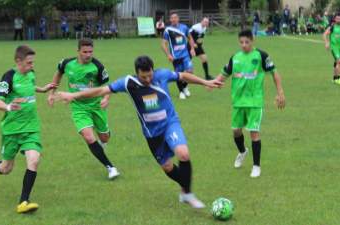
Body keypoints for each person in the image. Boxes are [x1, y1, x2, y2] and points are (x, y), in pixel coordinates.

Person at [56, 55, 223, 208]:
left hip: (170, 123)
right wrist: (74, 96)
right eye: (144, 77)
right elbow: (101, 90)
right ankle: (184, 189)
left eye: (150, 75)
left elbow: (183, 76)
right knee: (167, 166)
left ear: (153, 70)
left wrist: (205, 82)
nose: (148, 79)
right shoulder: (128, 83)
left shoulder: (162, 75)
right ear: (137, 73)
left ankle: (187, 193)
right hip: (152, 133)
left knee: (183, 154)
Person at [0, 45, 56, 213]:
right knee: (7, 168)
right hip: (12, 130)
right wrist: (8, 107)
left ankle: (23, 201)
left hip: (31, 128)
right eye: (29, 63)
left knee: (34, 160)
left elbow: (30, 87)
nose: (32, 66)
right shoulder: (9, 77)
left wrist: (43, 89)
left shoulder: (30, 74)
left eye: (33, 62)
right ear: (18, 61)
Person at [216, 30, 285, 178]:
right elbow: (224, 74)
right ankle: (242, 151)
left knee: (254, 132)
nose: (244, 45)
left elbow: (274, 72)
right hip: (238, 101)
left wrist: (280, 93)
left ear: (252, 40)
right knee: (236, 131)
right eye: (241, 42)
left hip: (255, 101)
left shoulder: (261, 55)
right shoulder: (235, 58)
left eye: (247, 42)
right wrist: (211, 83)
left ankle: (256, 166)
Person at [48, 38, 120, 179]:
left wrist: (106, 98)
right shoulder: (66, 63)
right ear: (78, 51)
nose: (88, 55)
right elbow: (58, 75)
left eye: (90, 52)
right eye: (85, 52)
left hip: (96, 106)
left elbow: (107, 86)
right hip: (78, 107)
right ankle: (111, 168)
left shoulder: (97, 66)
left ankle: (102, 142)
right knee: (88, 136)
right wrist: (51, 93)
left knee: (104, 137)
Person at [162, 13, 196, 100]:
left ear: (178, 19)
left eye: (175, 18)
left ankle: (184, 87)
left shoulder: (184, 27)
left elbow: (190, 38)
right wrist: (168, 55)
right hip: (175, 57)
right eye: (172, 18)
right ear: (170, 20)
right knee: (179, 75)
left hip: (185, 55)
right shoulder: (167, 30)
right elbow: (163, 44)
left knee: (190, 71)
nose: (173, 19)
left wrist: (192, 49)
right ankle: (181, 92)